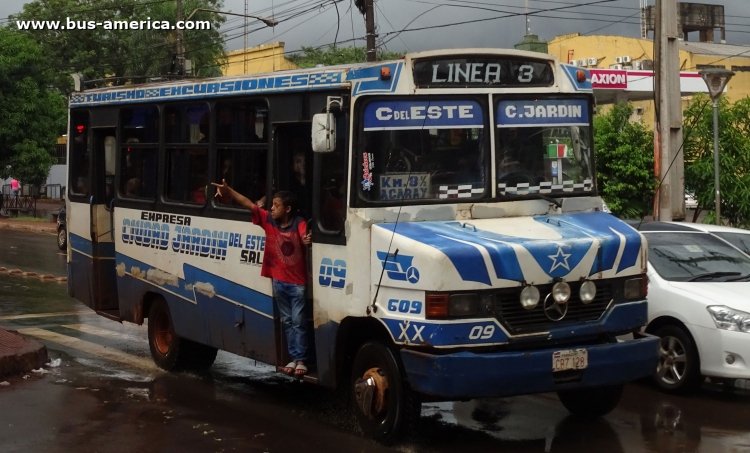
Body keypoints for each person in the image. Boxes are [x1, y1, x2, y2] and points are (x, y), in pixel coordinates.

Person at [212, 180, 312, 377]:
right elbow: (248, 203)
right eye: (272, 205)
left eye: (276, 206)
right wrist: (230, 190)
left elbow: (303, 235)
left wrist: (306, 239)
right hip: (279, 281)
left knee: (299, 322)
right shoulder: (269, 222)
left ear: (288, 209)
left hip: (297, 284)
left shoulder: (298, 222)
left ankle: (301, 360)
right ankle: (294, 358)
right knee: (288, 321)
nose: (272, 209)